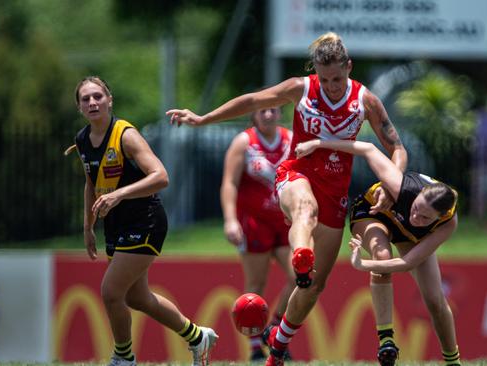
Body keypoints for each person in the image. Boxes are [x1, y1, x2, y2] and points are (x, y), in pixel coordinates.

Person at [166, 32, 407, 365]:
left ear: (349, 68)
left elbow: (396, 147)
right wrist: (205, 118)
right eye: (325, 79)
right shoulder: (301, 88)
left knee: (314, 286)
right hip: (296, 175)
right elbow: (252, 101)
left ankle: (277, 344)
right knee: (304, 210)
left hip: (336, 192)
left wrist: (391, 185)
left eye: (338, 78)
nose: (332, 86)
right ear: (315, 73)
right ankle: (301, 254)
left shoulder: (365, 101)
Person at [70, 76, 218, 366]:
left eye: (98, 96)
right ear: (79, 106)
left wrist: (119, 195)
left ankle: (124, 357)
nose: (92, 102)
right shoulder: (82, 140)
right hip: (117, 224)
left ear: (109, 99)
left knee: (111, 293)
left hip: (145, 220)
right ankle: (197, 336)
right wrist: (88, 227)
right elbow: (91, 182)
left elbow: (161, 177)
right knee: (137, 298)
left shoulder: (125, 135)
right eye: (85, 99)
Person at [295, 138, 460, 366]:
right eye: (416, 208)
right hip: (373, 212)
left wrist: (362, 265)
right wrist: (317, 143)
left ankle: (453, 362)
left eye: (424, 217)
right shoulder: (401, 186)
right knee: (382, 256)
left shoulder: (447, 224)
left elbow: (407, 263)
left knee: (435, 300)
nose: (416, 217)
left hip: (410, 235)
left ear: (438, 218)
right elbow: (367, 148)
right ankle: (386, 341)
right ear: (417, 196)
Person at [220, 107, 296, 361]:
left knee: (300, 278)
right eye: (262, 110)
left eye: (272, 110)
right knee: (256, 286)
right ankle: (254, 344)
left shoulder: (290, 139)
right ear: (254, 116)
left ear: (279, 113)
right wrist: (230, 220)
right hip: (254, 221)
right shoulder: (244, 142)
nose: (267, 115)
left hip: (285, 221)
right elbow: (229, 182)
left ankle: (274, 329)